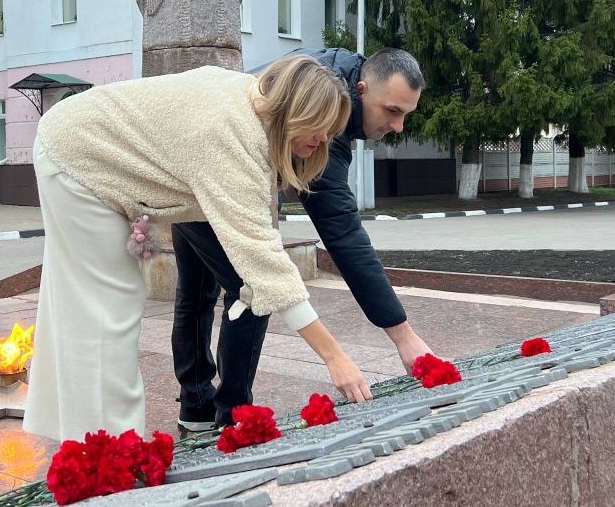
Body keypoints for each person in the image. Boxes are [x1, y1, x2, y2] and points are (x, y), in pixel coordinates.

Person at [23, 55, 374, 443]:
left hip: (74, 142)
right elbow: (264, 260)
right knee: (108, 308)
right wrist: (334, 357)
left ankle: (77, 435)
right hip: (78, 157)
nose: (325, 139)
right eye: (321, 127)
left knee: (83, 307)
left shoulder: (250, 110)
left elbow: (260, 242)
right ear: (296, 110)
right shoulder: (231, 131)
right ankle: (112, 455)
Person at [172, 48, 437, 431]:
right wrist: (403, 337)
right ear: (361, 89)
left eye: (405, 115)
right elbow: (342, 232)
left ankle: (198, 405)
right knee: (251, 286)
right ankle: (231, 417)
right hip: (208, 162)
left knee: (201, 291)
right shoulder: (324, 117)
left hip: (193, 158)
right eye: (392, 111)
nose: (398, 127)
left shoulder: (328, 78)